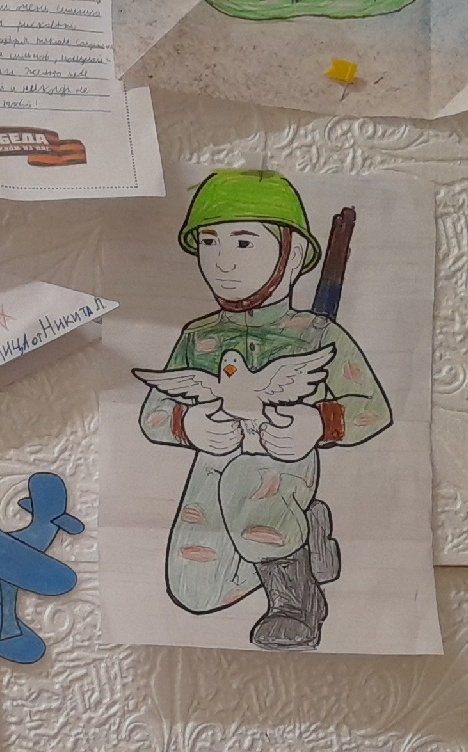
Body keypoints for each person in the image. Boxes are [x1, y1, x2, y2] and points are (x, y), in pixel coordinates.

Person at [135, 170, 391, 650]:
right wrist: (187, 424)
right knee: (195, 590)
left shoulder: (319, 335)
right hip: (211, 470)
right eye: (208, 242)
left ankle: (295, 603)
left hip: (280, 466)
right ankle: (305, 538)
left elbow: (372, 409)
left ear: (291, 256)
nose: (222, 260)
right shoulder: (198, 336)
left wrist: (317, 424)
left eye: (244, 242)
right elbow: (153, 414)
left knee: (249, 486)